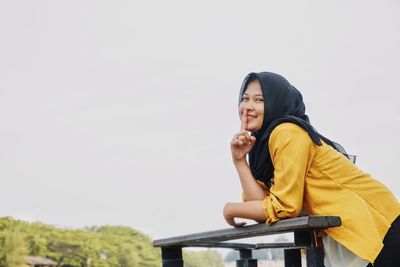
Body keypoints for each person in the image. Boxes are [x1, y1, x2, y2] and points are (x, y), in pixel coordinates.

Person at [223, 72, 400, 267]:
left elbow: (284, 207)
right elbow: (261, 204)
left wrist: (230, 209)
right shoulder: (261, 149)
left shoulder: (286, 132)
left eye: (259, 100)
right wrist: (240, 161)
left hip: (378, 224)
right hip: (350, 233)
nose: (248, 107)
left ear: (276, 101)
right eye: (245, 99)